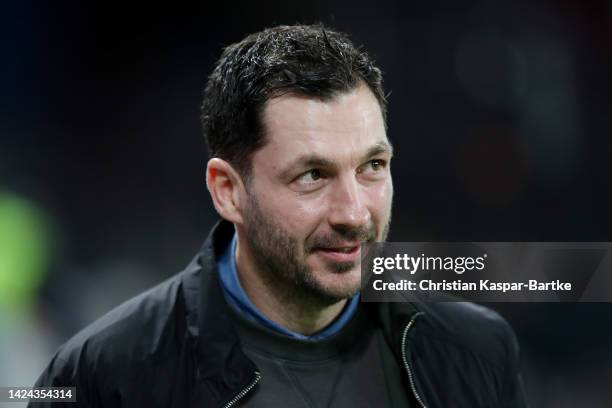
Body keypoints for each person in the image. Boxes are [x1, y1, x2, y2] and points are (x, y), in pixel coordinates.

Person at [30, 24, 528, 407]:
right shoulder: (104, 375)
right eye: (312, 175)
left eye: (372, 166)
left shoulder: (476, 348)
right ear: (228, 191)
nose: (354, 213)